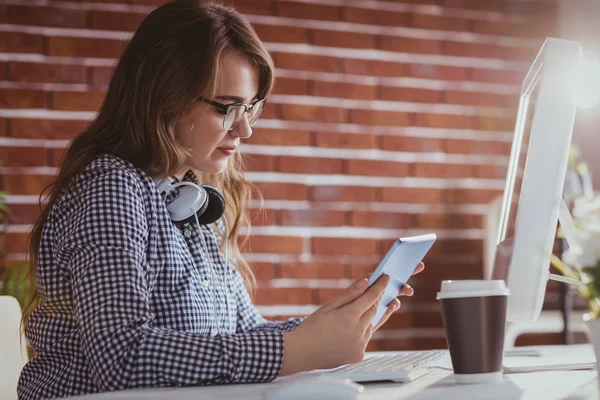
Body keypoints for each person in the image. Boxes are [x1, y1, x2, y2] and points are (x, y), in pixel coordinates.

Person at [17, 1, 425, 399]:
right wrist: (295, 350)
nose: (245, 129)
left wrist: (329, 326)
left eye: (251, 107)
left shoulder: (190, 202)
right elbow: (122, 358)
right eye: (227, 108)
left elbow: (240, 336)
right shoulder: (111, 190)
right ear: (163, 96)